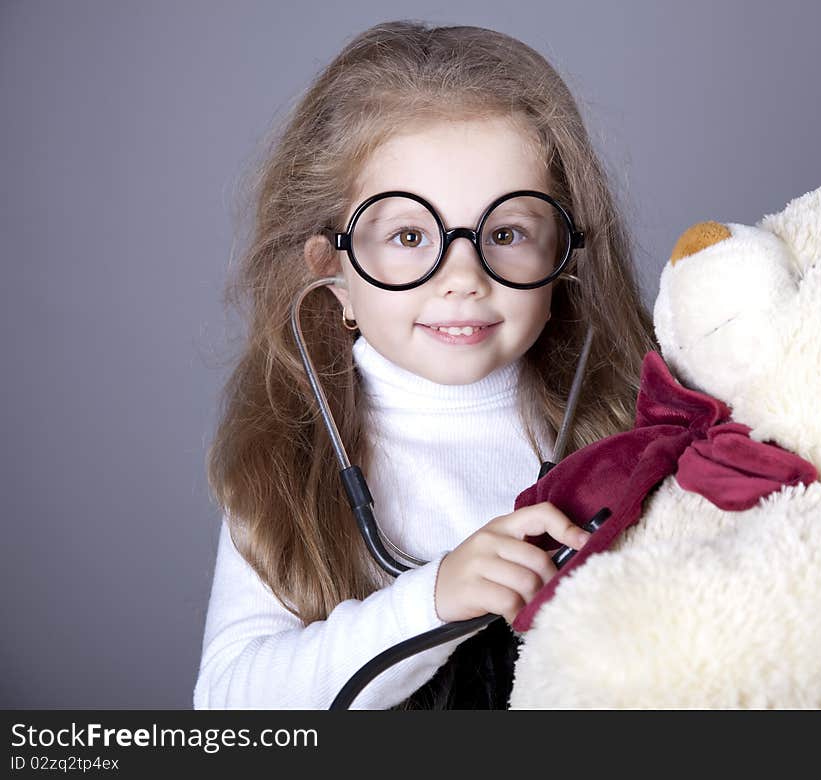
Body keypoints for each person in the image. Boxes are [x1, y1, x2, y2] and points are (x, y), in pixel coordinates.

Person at [194, 20, 655, 710]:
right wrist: (432, 601)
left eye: (506, 233)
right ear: (336, 273)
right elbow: (230, 707)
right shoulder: (290, 469)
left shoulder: (629, 435)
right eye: (411, 235)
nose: (463, 275)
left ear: (564, 255)